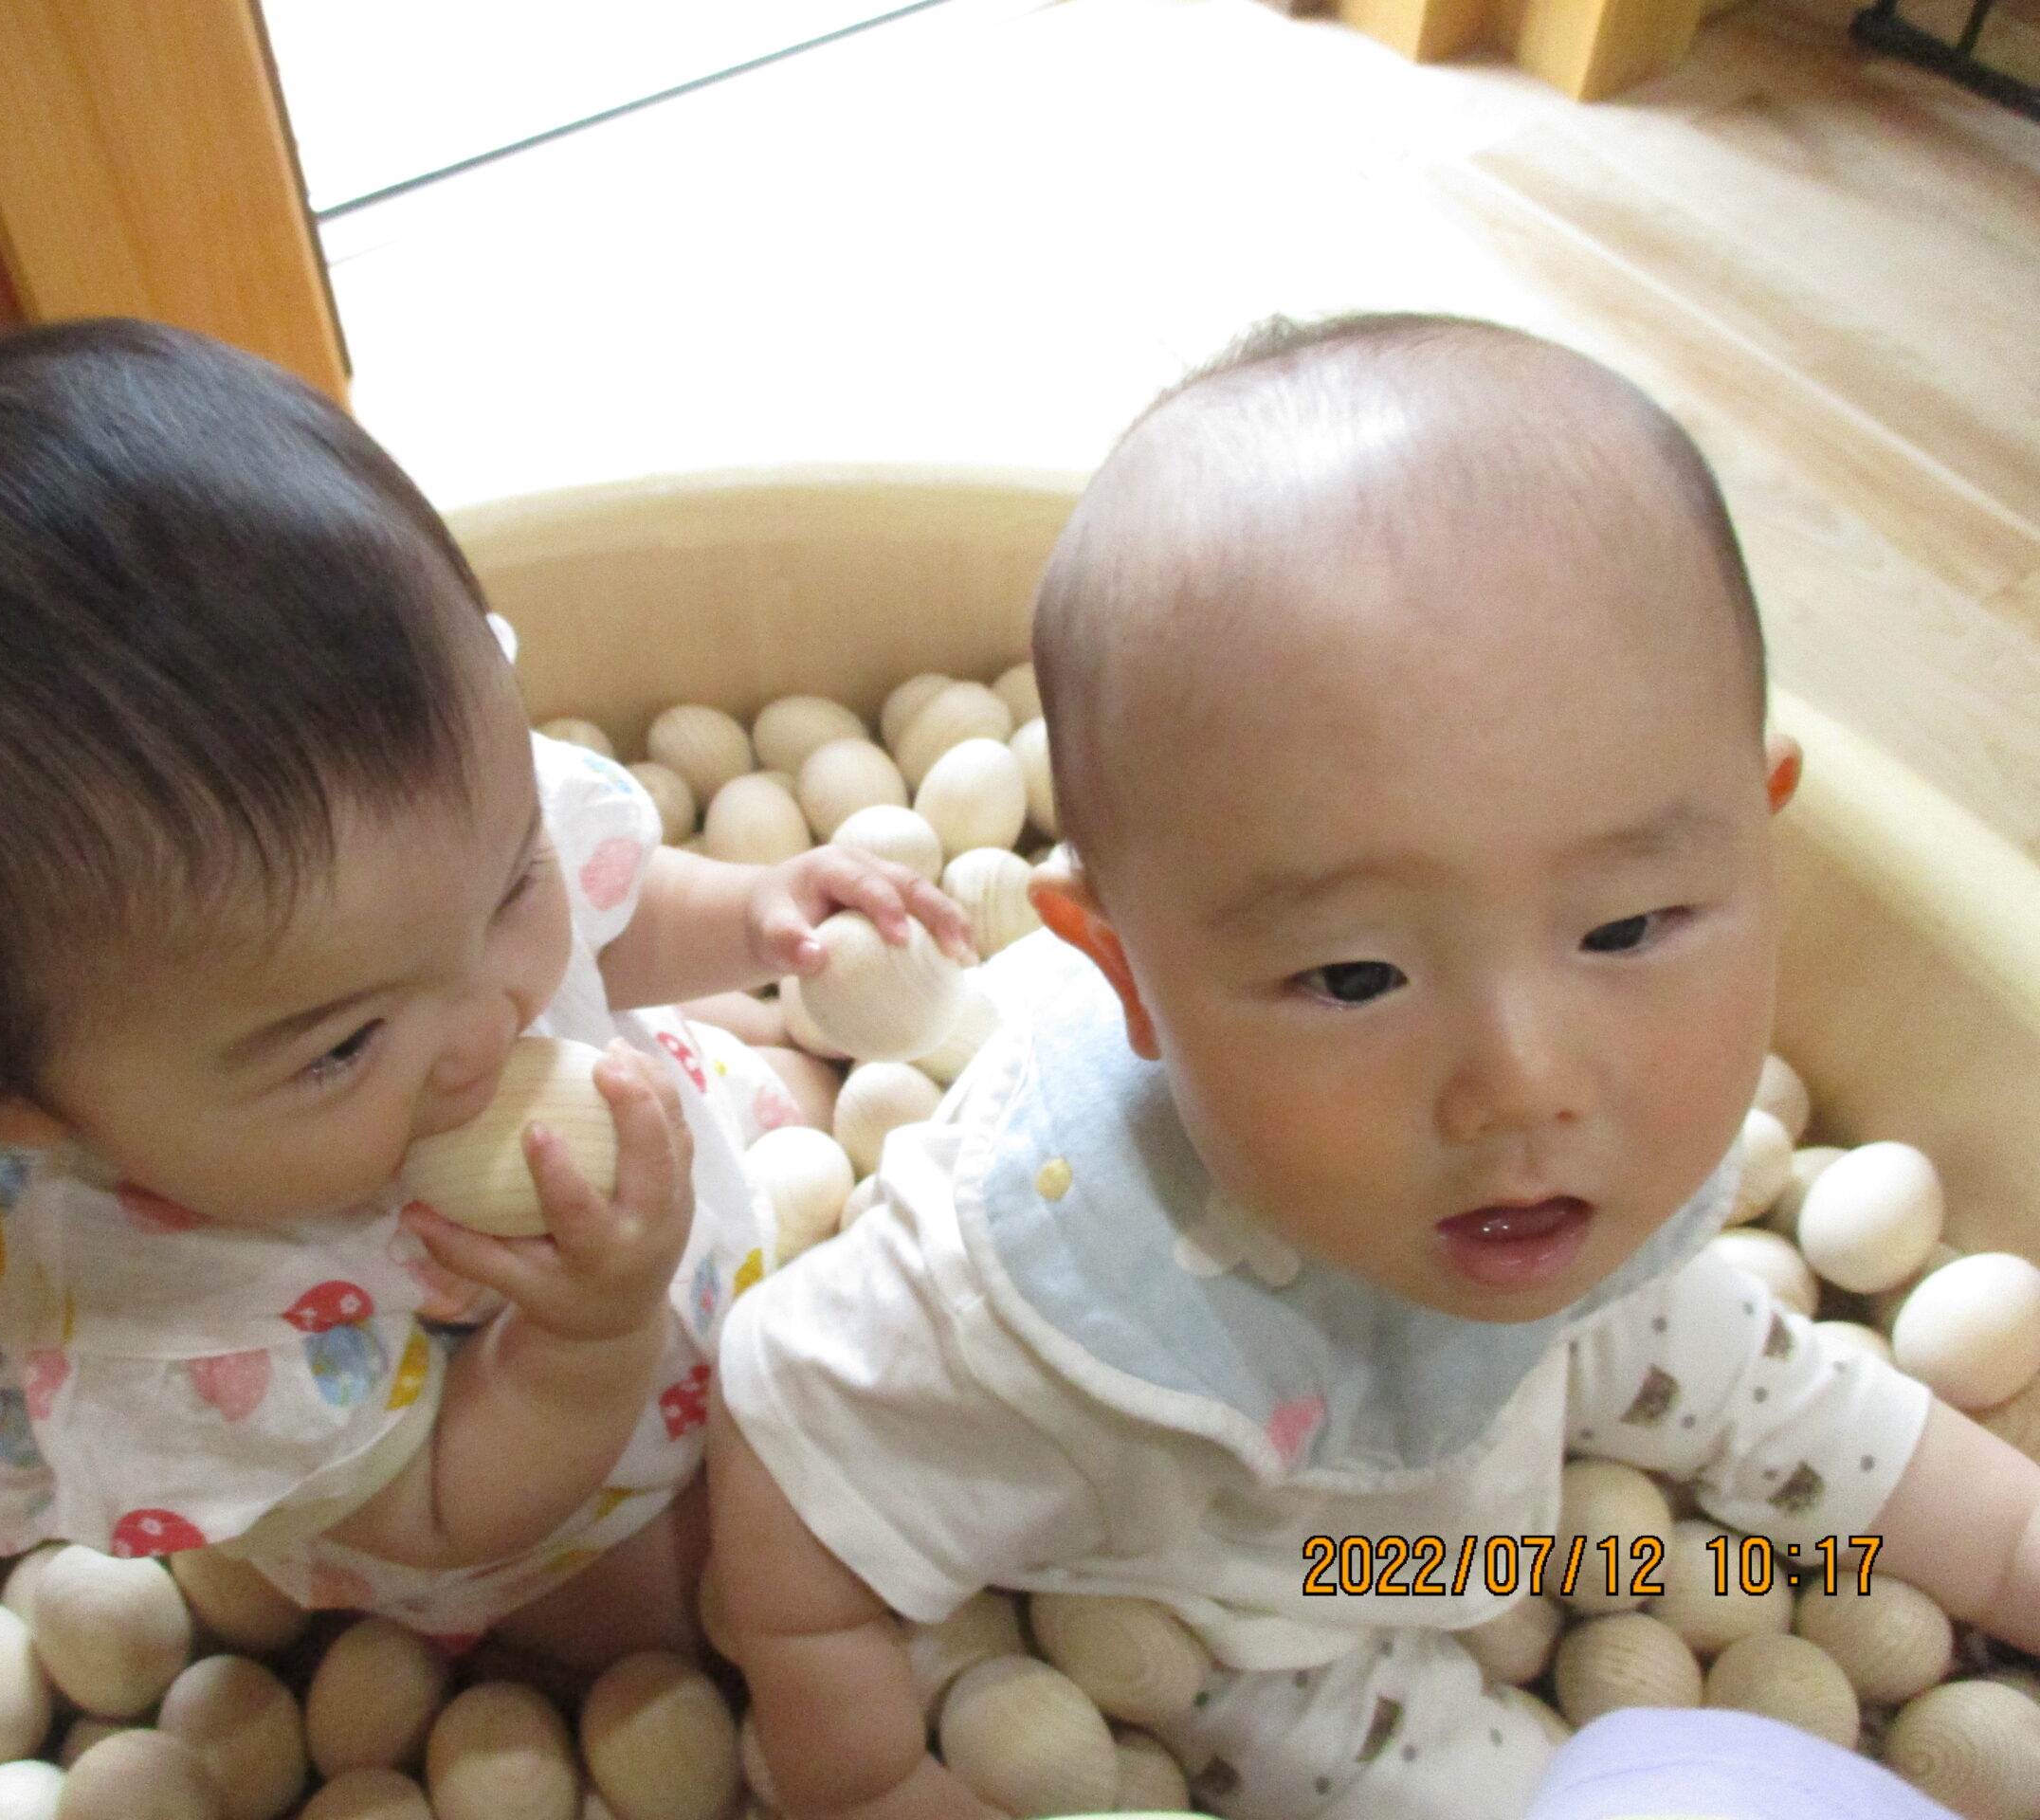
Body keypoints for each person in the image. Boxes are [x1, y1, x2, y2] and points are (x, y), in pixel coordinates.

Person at [708, 313, 2040, 1817]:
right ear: (1128, 977)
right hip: (1265, 1571)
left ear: (1758, 842)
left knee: (1766, 1399)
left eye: (1624, 927)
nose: (1524, 1080)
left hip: (1529, 1356)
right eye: (1353, 976)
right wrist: (857, 1767)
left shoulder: (1573, 1163)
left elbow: (1771, 1391)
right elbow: (785, 1425)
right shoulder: (1057, 1289)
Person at [0, 318, 966, 1669]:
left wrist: (756, 912)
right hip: (553, 1472)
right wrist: (590, 1339)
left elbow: (611, 906)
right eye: (342, 1047)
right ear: (16, 1103)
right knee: (673, 1620)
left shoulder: (414, 857)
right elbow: (441, 1510)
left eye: (511, 883)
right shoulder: (175, 1328)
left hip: (654, 1192)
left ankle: (759, 1143)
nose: (494, 1023)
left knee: (756, 1077)